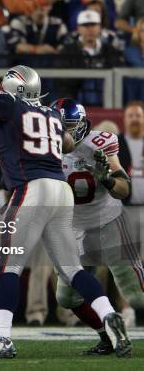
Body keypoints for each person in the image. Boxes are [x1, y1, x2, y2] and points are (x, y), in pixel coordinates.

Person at [0, 21, 131, 359]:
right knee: (72, 269)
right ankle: (108, 316)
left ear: (12, 86)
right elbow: (66, 142)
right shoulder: (51, 113)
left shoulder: (6, 102)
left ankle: (1, 338)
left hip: (31, 188)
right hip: (61, 192)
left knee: (8, 266)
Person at [50, 98, 143, 355]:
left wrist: (110, 181)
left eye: (69, 127)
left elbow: (124, 190)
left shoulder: (100, 142)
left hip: (108, 221)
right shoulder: (47, 148)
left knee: (137, 296)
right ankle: (107, 336)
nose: (64, 134)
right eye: (60, 127)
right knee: (67, 298)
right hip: (72, 228)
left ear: (81, 125)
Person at [118, 101, 144, 206]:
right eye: (130, 116)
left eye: (138, 115)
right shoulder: (115, 143)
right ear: (124, 119)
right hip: (124, 207)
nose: (134, 119)